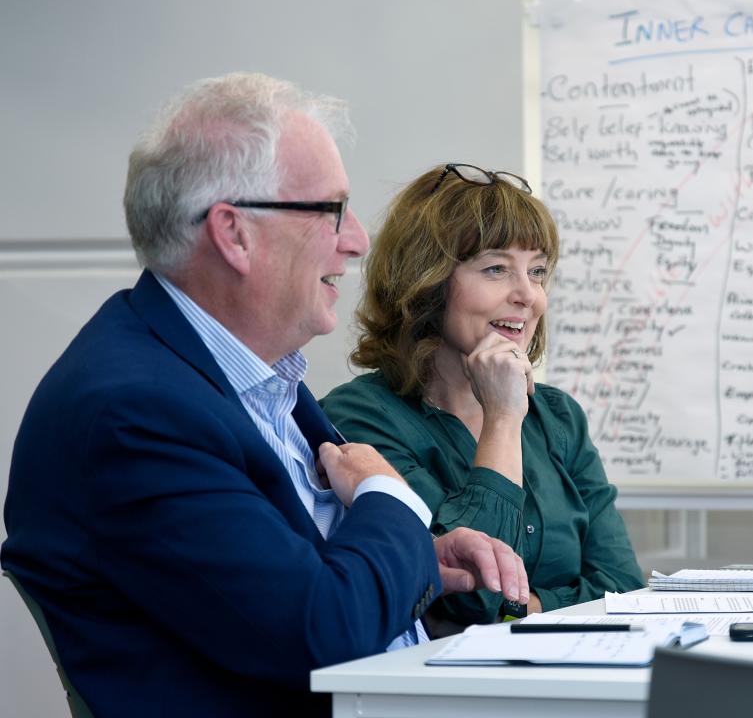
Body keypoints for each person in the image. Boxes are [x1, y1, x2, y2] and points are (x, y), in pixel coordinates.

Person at [1, 76, 528, 718]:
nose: (357, 238)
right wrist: (391, 499)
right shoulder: (135, 412)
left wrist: (419, 553)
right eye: (331, 210)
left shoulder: (248, 378)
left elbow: (294, 581)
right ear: (235, 234)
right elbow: (319, 633)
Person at [321, 163, 644, 632]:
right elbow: (468, 598)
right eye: (496, 269)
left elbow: (623, 589)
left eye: (537, 272)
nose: (528, 295)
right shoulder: (361, 417)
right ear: (427, 282)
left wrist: (523, 610)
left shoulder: (559, 417)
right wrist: (503, 418)